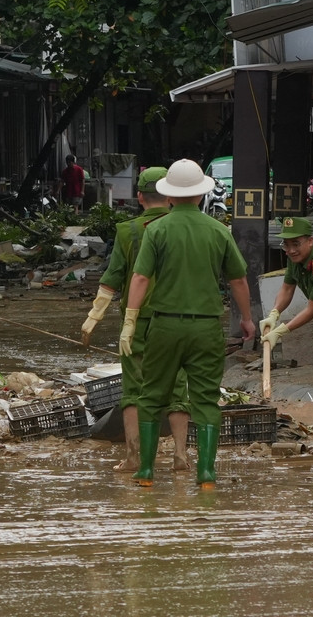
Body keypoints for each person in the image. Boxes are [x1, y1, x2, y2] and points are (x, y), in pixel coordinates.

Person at [120, 159, 255, 489]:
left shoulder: (157, 230)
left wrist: (130, 321)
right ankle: (206, 473)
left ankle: (146, 472)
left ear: (169, 196)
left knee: (151, 396)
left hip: (164, 326)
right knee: (205, 400)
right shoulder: (218, 231)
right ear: (200, 195)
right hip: (207, 327)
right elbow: (238, 279)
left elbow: (139, 277)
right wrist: (248, 320)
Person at [81, 166, 191, 474]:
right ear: (170, 196)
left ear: (139, 197)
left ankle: (134, 457)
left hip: (137, 321)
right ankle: (181, 456)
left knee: (134, 389)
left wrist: (94, 315)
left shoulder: (127, 231)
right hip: (176, 320)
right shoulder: (185, 226)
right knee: (177, 387)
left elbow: (113, 277)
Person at [260, 216, 313, 391]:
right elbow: (287, 289)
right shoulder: (295, 259)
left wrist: (281, 331)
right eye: (286, 244)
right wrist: (274, 313)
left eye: (296, 243)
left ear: (310, 241)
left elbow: (310, 310)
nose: (291, 250)